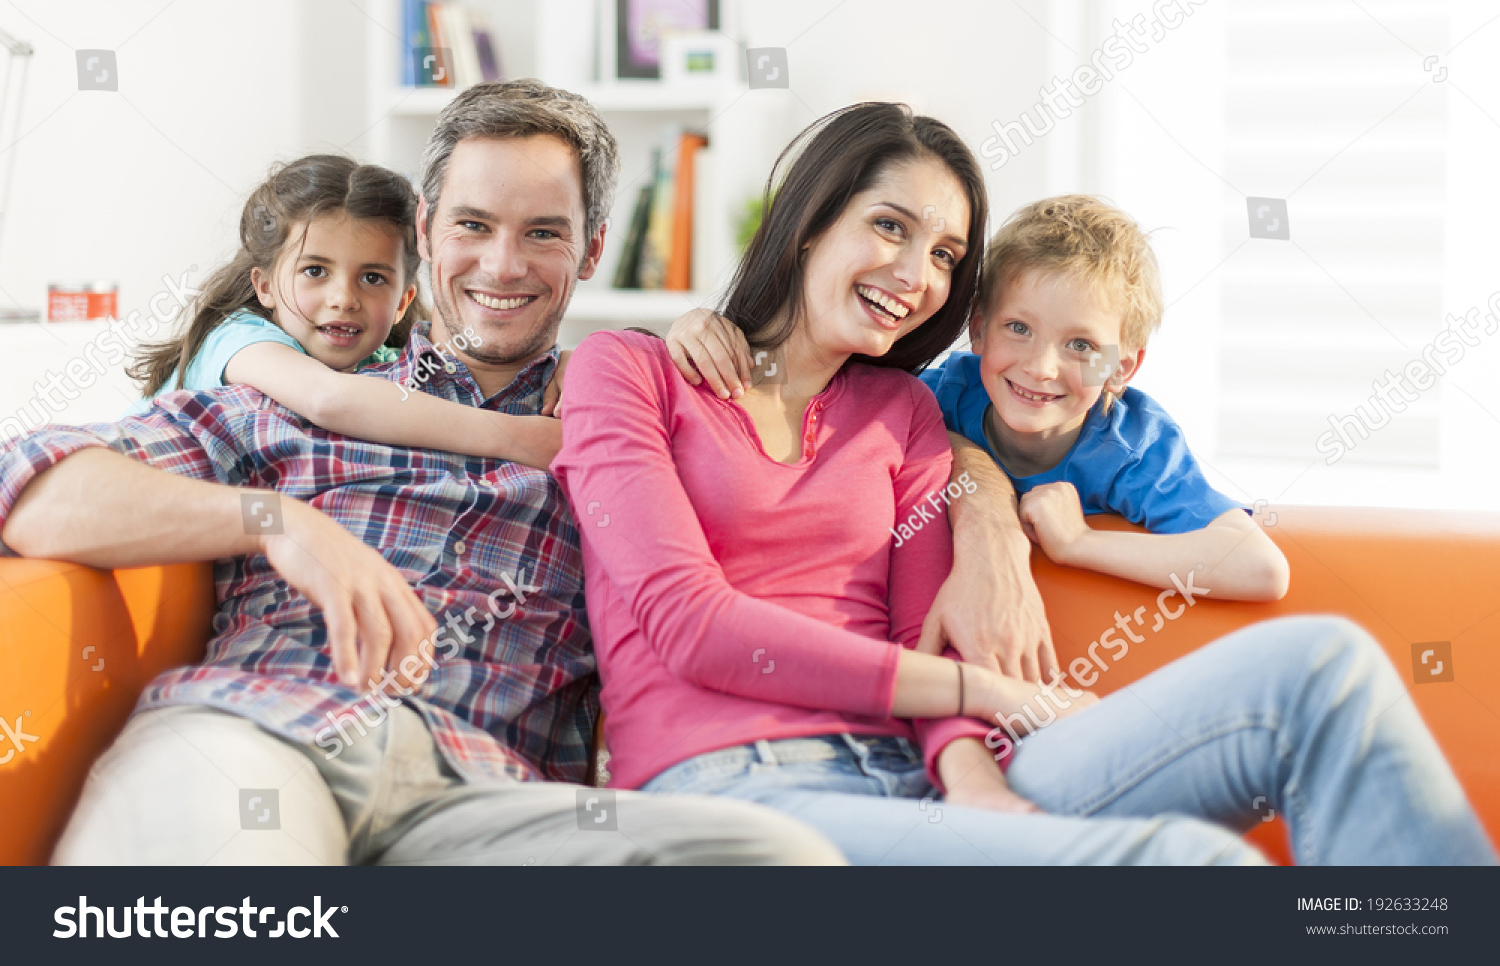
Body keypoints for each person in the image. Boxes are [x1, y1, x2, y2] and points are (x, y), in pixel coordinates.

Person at [550, 102, 1497, 865]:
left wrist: (965, 773)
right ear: (806, 223)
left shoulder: (906, 413)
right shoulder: (626, 370)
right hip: (731, 793)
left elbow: (925, 615)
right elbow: (691, 622)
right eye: (891, 226)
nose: (916, 273)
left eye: (947, 255)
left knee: (1321, 666)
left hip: (911, 777)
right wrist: (991, 695)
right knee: (1191, 866)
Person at [0, 79, 843, 867]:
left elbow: (852, 446)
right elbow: (33, 488)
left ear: (591, 254)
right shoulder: (300, 393)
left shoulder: (631, 429)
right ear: (426, 228)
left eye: (543, 232)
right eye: (473, 225)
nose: (503, 265)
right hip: (264, 732)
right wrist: (279, 522)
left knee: (777, 859)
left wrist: (976, 488)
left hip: (487, 798)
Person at [674, 193, 1290, 599]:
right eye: (1018, 329)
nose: (1041, 367)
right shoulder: (944, 393)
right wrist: (701, 327)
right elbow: (813, 388)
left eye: (1081, 346)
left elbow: (1261, 569)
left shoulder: (1131, 443)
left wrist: (1078, 544)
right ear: (977, 330)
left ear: (1123, 367)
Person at [128, 153, 563, 471]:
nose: (344, 298)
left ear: (402, 302)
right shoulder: (239, 340)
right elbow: (328, 399)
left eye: (372, 278)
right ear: (264, 286)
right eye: (315, 270)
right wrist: (518, 438)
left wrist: (574, 364)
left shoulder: (379, 369)